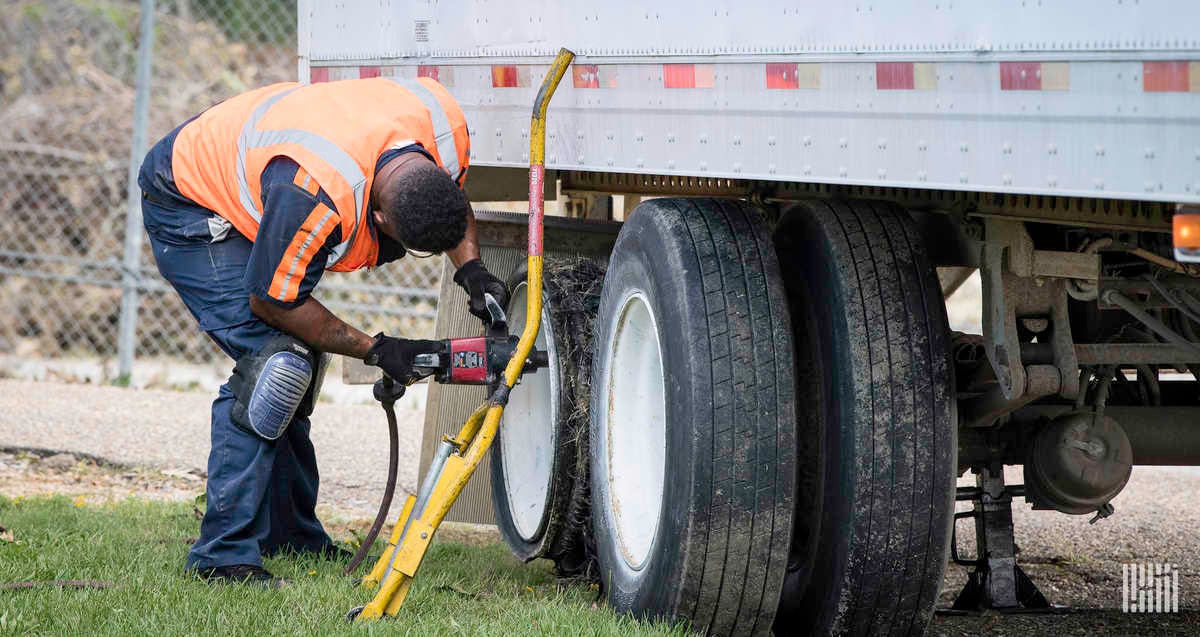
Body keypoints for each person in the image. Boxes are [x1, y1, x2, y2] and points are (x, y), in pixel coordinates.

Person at [137, 76, 508, 587]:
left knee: (295, 364)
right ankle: (221, 557)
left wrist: (472, 271)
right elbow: (274, 301)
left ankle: (291, 535)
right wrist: (377, 350)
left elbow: (450, 197)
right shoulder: (316, 193)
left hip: (265, 169)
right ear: (377, 215)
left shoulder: (442, 129)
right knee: (278, 365)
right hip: (190, 201)